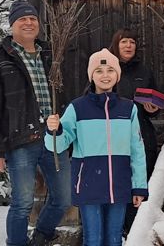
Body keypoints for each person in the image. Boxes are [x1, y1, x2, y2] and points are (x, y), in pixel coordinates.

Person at [0, 0, 71, 246]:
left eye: (33, 19)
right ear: (12, 25)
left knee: (63, 197)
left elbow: (64, 95)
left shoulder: (51, 55)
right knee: (22, 203)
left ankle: (40, 237)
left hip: (53, 138)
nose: (29, 23)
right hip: (20, 141)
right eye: (22, 20)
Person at [45, 49, 148, 246]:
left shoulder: (128, 109)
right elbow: (57, 146)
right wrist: (54, 131)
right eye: (99, 71)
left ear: (117, 75)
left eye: (110, 70)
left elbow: (137, 150)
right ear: (91, 75)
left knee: (114, 237)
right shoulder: (78, 108)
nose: (105, 75)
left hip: (119, 183)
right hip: (88, 183)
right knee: (93, 239)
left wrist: (139, 186)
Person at [108, 28, 161, 236]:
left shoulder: (144, 71)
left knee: (140, 180)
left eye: (131, 42)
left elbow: (155, 102)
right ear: (116, 45)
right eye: (124, 42)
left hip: (142, 134)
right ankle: (118, 229)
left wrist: (153, 109)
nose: (128, 45)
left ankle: (135, 230)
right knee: (120, 181)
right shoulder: (106, 69)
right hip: (115, 135)